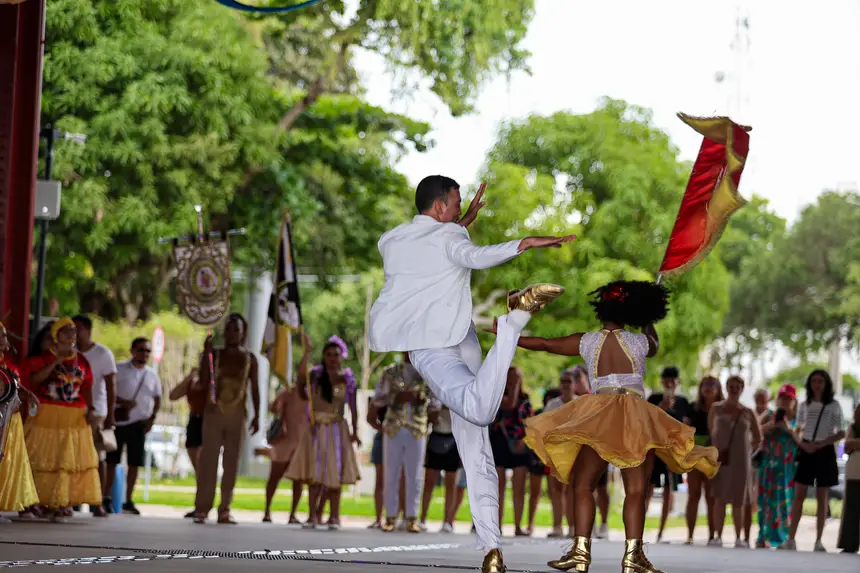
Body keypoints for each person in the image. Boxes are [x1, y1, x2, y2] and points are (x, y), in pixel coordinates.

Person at [368, 175, 574, 573]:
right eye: (458, 203)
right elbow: (473, 256)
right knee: (478, 432)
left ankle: (513, 321)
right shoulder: (450, 239)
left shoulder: (391, 240)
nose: (463, 209)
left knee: (478, 421)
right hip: (452, 343)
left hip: (438, 344)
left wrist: (461, 226)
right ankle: (491, 548)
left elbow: (432, 248)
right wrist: (523, 243)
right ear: (440, 207)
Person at [504, 280, 718, 573]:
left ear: (600, 310)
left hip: (599, 415)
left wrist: (506, 332)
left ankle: (580, 552)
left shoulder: (588, 341)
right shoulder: (639, 342)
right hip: (635, 417)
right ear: (630, 312)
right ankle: (633, 556)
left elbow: (543, 343)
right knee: (636, 490)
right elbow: (654, 344)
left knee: (583, 485)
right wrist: (648, 320)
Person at [22, 318, 102, 521]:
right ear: (55, 335)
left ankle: (61, 502)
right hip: (46, 413)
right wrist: (57, 361)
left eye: (73, 331)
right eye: (65, 331)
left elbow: (87, 387)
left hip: (73, 415)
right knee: (39, 458)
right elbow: (32, 381)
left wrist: (91, 409)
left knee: (66, 461)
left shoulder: (82, 361)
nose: (70, 334)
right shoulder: (42, 358)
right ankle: (32, 502)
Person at [286, 335, 360, 530]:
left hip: (337, 428)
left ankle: (334, 516)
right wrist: (306, 353)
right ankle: (312, 516)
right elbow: (301, 384)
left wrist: (355, 431)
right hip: (316, 428)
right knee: (315, 473)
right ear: (324, 357)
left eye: (336, 354)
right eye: (329, 355)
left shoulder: (347, 378)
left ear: (341, 356)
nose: (333, 358)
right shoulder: (316, 377)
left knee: (335, 472)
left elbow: (352, 407)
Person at [193, 314, 261, 525]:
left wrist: (258, 414)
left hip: (237, 413)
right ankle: (202, 507)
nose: (232, 333)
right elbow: (204, 382)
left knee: (231, 462)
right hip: (214, 412)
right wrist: (206, 354)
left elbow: (255, 388)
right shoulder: (215, 354)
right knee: (208, 461)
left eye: (236, 330)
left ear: (243, 333)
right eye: (229, 329)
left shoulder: (250, 358)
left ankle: (225, 507)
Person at [780, 369, 845, 552]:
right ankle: (791, 539)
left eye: (820, 381)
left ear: (826, 384)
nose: (817, 384)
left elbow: (841, 431)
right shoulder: (804, 405)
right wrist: (802, 444)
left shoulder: (834, 405)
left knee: (822, 496)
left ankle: (818, 541)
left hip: (824, 451)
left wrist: (821, 444)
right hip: (806, 449)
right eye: (814, 381)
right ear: (810, 383)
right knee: (798, 494)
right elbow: (799, 428)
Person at [372, 353, 433, 533]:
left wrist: (422, 400)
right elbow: (378, 397)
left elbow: (436, 399)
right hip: (393, 426)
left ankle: (412, 517)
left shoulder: (427, 373)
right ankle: (390, 516)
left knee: (415, 474)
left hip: (417, 427)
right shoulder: (390, 372)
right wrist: (395, 398)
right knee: (391, 472)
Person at [104, 337, 162, 515]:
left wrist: (152, 418)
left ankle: (128, 500)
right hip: (119, 422)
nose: (144, 354)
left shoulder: (152, 375)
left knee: (134, 464)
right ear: (132, 350)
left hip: (139, 425)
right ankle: (106, 497)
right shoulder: (119, 369)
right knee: (112, 462)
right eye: (141, 350)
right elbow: (108, 391)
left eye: (147, 351)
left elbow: (158, 397)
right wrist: (123, 402)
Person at [72, 315, 117, 517]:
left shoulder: (103, 354)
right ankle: (71, 499)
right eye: (72, 328)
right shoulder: (68, 352)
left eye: (79, 328)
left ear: (88, 331)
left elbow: (111, 385)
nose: (75, 332)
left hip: (96, 411)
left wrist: (111, 415)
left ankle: (98, 501)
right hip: (70, 409)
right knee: (71, 456)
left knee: (97, 457)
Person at [709, 375, 761, 548]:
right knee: (719, 498)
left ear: (742, 389)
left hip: (741, 460)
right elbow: (712, 431)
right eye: (731, 386)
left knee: (739, 499)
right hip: (721, 459)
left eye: (737, 387)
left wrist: (748, 451)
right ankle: (717, 536)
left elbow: (757, 437)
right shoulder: (716, 409)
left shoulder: (747, 412)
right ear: (726, 387)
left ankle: (739, 537)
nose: (733, 390)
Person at [645, 366, 690, 544]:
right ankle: (639, 529)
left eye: (673, 380)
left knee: (668, 490)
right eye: (667, 380)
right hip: (654, 450)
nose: (670, 383)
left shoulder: (683, 402)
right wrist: (662, 406)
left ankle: (661, 533)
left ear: (678, 381)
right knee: (648, 488)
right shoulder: (654, 398)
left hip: (673, 451)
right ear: (662, 381)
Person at [0, 322, 39, 522]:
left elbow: (14, 385)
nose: (4, 339)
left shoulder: (8, 364)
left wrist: (27, 393)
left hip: (11, 419)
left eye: (4, 335)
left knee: (6, 461)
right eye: (1, 335)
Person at [490, 367, 532, 537]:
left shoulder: (526, 399)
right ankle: (496, 525)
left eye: (515, 377)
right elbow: (510, 404)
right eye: (509, 377)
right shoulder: (498, 395)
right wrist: (511, 387)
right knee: (498, 486)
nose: (512, 380)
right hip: (499, 442)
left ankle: (517, 525)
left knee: (519, 487)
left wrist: (524, 438)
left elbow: (529, 423)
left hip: (519, 444)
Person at [756, 384, 800, 549]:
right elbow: (755, 431)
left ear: (794, 401)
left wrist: (788, 429)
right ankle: (762, 536)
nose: (785, 402)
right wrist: (772, 425)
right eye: (782, 398)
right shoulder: (768, 415)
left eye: (789, 399)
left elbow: (801, 442)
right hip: (768, 467)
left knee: (785, 502)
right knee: (765, 501)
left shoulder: (797, 419)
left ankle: (783, 538)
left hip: (787, 469)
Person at [682, 375, 723, 546]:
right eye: (705, 384)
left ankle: (713, 536)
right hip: (694, 455)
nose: (708, 388)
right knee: (693, 495)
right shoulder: (692, 408)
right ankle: (690, 535)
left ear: (718, 388)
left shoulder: (722, 409)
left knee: (711, 497)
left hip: (714, 455)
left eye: (712, 385)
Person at [263, 379, 309, 524]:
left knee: (298, 480)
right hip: (284, 440)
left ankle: (293, 514)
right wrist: (279, 408)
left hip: (302, 441)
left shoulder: (312, 395)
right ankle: (267, 511)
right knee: (275, 476)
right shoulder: (288, 392)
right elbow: (273, 409)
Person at [168, 368, 204, 519]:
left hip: (208, 422)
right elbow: (173, 395)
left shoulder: (215, 380)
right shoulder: (193, 381)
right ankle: (199, 505)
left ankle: (202, 506)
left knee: (204, 468)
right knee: (198, 469)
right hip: (194, 421)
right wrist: (189, 378)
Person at [421, 403, 460, 533]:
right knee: (429, 482)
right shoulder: (436, 396)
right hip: (436, 437)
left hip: (453, 439)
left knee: (451, 483)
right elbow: (428, 418)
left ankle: (447, 521)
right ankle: (422, 519)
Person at [837, 403, 860, 554]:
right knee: (851, 510)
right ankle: (849, 543)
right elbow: (847, 444)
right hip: (854, 472)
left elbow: (852, 443)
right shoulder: (852, 427)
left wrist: (855, 443)